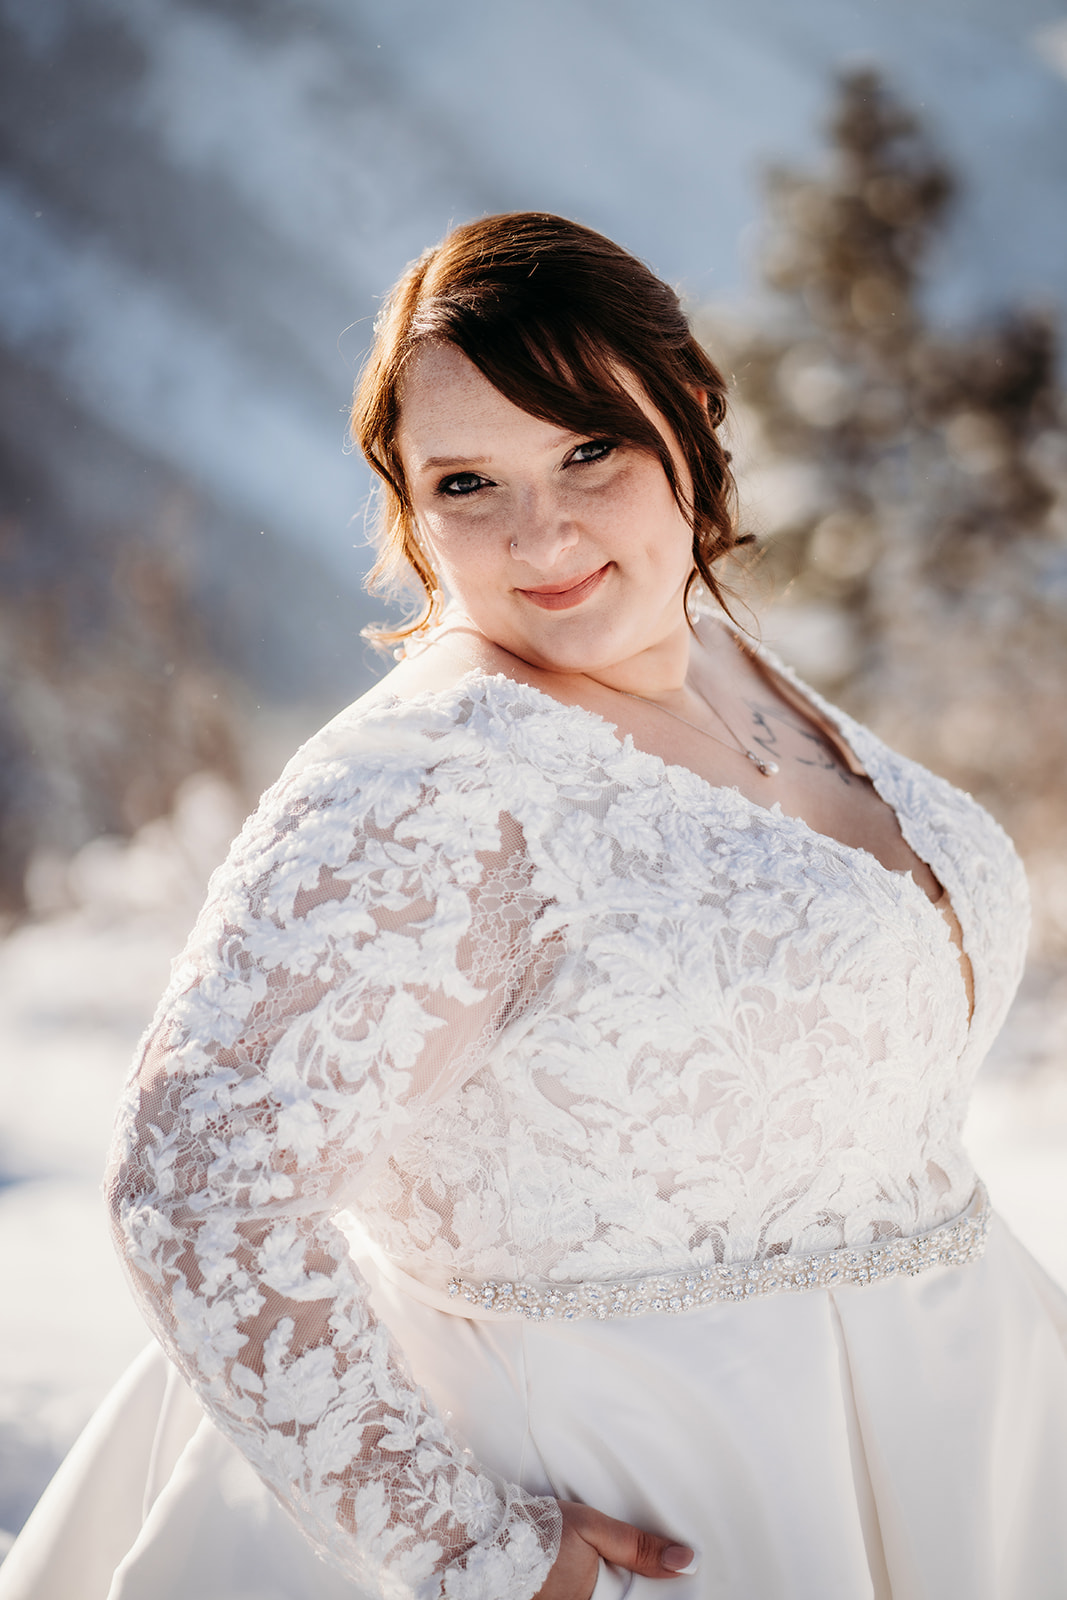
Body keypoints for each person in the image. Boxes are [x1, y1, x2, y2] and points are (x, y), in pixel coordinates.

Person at [2, 211, 1066, 1600]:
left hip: (964, 1444)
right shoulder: (427, 787)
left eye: (587, 448)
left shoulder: (719, 655)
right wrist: (467, 1543)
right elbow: (196, 1184)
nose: (543, 532)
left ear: (689, 418)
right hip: (673, 1490)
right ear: (406, 499)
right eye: (467, 483)